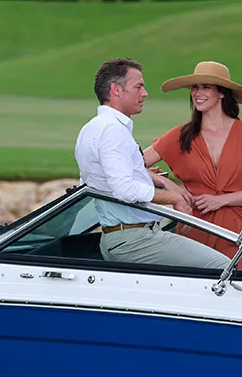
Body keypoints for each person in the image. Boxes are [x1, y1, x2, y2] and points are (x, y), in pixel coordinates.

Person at [75, 57, 231, 270]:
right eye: (138, 87)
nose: (145, 93)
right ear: (116, 90)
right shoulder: (112, 131)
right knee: (223, 266)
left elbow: (101, 177)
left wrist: (156, 178)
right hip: (135, 240)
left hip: (120, 237)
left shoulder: (92, 128)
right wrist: (174, 198)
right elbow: (125, 189)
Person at [143, 61, 242, 270]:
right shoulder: (180, 135)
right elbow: (129, 165)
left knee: (235, 281)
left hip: (233, 232)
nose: (197, 93)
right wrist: (165, 182)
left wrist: (220, 200)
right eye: (195, 87)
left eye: (205, 87)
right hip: (193, 227)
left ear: (221, 93)